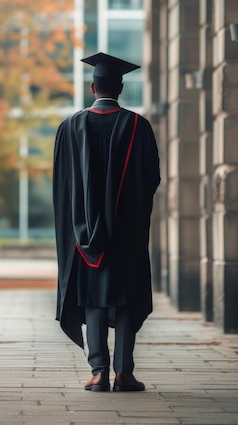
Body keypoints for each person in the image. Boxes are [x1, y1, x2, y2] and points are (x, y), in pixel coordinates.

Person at [53, 52, 160, 392]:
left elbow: (62, 184)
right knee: (126, 297)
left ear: (91, 86)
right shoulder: (137, 126)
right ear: (121, 86)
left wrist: (78, 226)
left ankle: (98, 372)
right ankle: (123, 373)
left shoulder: (69, 127)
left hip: (83, 235)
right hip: (125, 234)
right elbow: (151, 179)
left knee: (93, 297)